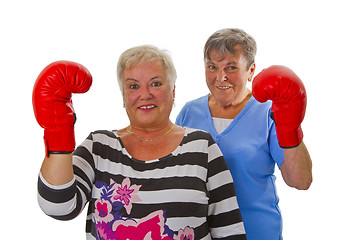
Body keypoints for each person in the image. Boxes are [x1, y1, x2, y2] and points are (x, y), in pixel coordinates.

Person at [33, 45, 247, 240]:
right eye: (134, 86)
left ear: (173, 91)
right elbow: (58, 207)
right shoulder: (98, 146)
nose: (145, 94)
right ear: (124, 97)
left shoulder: (202, 146)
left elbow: (230, 231)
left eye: (156, 83)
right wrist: (58, 130)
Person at [176, 28, 313, 240]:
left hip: (255, 232)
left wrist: (290, 126)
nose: (220, 77)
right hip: (200, 233)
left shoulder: (268, 112)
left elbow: (300, 180)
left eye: (231, 67)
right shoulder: (189, 112)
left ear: (251, 71)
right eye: (212, 67)